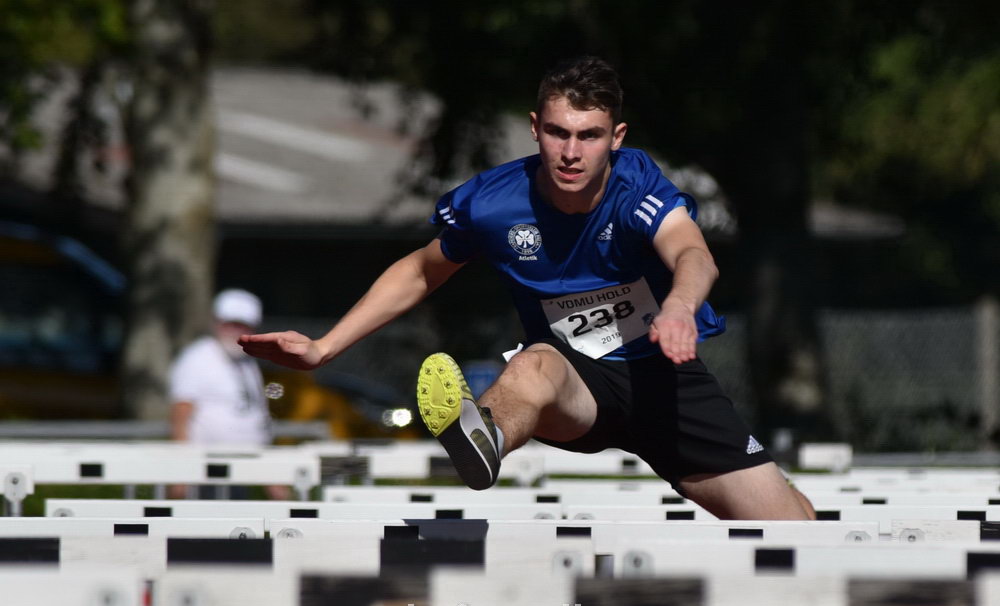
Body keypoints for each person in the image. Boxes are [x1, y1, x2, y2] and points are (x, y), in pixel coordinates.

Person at [240, 56, 814, 520]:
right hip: (576, 382)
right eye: (558, 133)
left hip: (662, 377)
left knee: (795, 527)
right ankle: (482, 437)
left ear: (615, 137)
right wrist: (324, 347)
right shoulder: (493, 203)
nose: (570, 152)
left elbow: (691, 250)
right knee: (533, 365)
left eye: (588, 137)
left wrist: (680, 307)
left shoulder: (637, 185)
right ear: (535, 128)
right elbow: (420, 270)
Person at [170, 288, 288, 499]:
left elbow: (256, 415)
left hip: (244, 467)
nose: (236, 331)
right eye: (231, 324)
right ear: (217, 323)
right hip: (205, 469)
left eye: (243, 326)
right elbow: (181, 412)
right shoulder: (198, 357)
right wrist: (181, 472)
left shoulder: (247, 361)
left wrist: (270, 473)